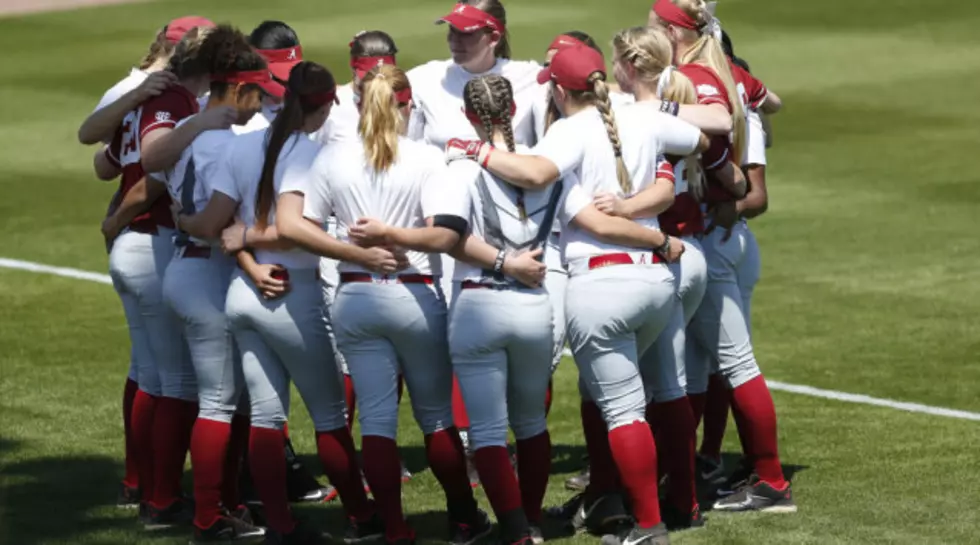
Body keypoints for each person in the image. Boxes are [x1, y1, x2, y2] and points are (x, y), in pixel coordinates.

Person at [447, 43, 705, 545]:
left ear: (560, 91)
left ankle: (646, 526)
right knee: (663, 388)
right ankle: (660, 500)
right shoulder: (641, 114)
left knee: (618, 410)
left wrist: (477, 149)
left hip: (598, 286)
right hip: (657, 279)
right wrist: (654, 216)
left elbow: (551, 186)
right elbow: (702, 136)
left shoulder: (565, 135)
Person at [275, 64, 491, 545]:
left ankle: (393, 528)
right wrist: (391, 241)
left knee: (375, 418)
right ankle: (462, 518)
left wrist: (354, 253)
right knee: (436, 417)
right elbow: (443, 234)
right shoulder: (426, 158)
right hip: (414, 295)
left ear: (357, 105)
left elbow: (298, 226)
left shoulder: (329, 159)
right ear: (407, 106)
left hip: (353, 297)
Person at [187, 60, 383, 545]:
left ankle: (279, 523)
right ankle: (361, 516)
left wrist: (208, 229)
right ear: (323, 106)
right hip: (292, 296)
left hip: (244, 292)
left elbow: (216, 226)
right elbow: (301, 234)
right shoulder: (314, 156)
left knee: (267, 417)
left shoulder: (241, 147)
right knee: (330, 416)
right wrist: (360, 252)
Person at [650, 0, 797, 513]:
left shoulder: (688, 79)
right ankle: (684, 474)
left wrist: (700, 199)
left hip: (709, 238)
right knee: (695, 367)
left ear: (673, 30)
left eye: (654, 26)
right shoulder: (729, 74)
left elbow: (747, 193)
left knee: (733, 363)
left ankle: (771, 481)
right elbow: (770, 101)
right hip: (718, 239)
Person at [93, 23, 239, 530]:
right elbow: (153, 175)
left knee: (151, 376)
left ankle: (143, 485)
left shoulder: (148, 96)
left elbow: (102, 160)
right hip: (153, 241)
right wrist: (117, 217)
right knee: (175, 382)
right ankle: (159, 498)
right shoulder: (176, 102)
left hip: (133, 245)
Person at [148, 24, 277, 542]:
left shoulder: (196, 129)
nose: (259, 106)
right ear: (241, 89)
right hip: (208, 270)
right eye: (257, 95)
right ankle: (208, 516)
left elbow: (156, 171)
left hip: (189, 266)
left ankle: (227, 503)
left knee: (229, 400)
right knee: (220, 401)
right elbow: (218, 222)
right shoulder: (228, 141)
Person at [407, 0, 547, 452]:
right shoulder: (425, 77)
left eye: (467, 34)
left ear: (494, 35)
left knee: (532, 350)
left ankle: (522, 436)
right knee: (459, 341)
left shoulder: (532, 76)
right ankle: (474, 442)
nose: (455, 41)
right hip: (450, 226)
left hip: (521, 229)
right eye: (451, 31)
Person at [441, 74, 560, 545]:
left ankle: (514, 533)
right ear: (513, 110)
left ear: (469, 116)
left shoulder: (459, 166)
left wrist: (501, 263)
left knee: (488, 431)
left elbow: (450, 237)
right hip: (535, 305)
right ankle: (530, 519)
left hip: (478, 305)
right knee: (532, 422)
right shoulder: (542, 164)